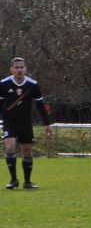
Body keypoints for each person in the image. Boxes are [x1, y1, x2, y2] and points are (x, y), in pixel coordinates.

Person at [1, 57, 52, 189]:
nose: (19, 70)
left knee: (27, 151)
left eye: (21, 67)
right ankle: (13, 180)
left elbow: (40, 105)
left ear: (25, 69)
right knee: (10, 146)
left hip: (25, 122)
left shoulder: (32, 85)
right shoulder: (4, 84)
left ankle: (27, 182)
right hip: (9, 121)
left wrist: (47, 124)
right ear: (11, 69)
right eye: (16, 67)